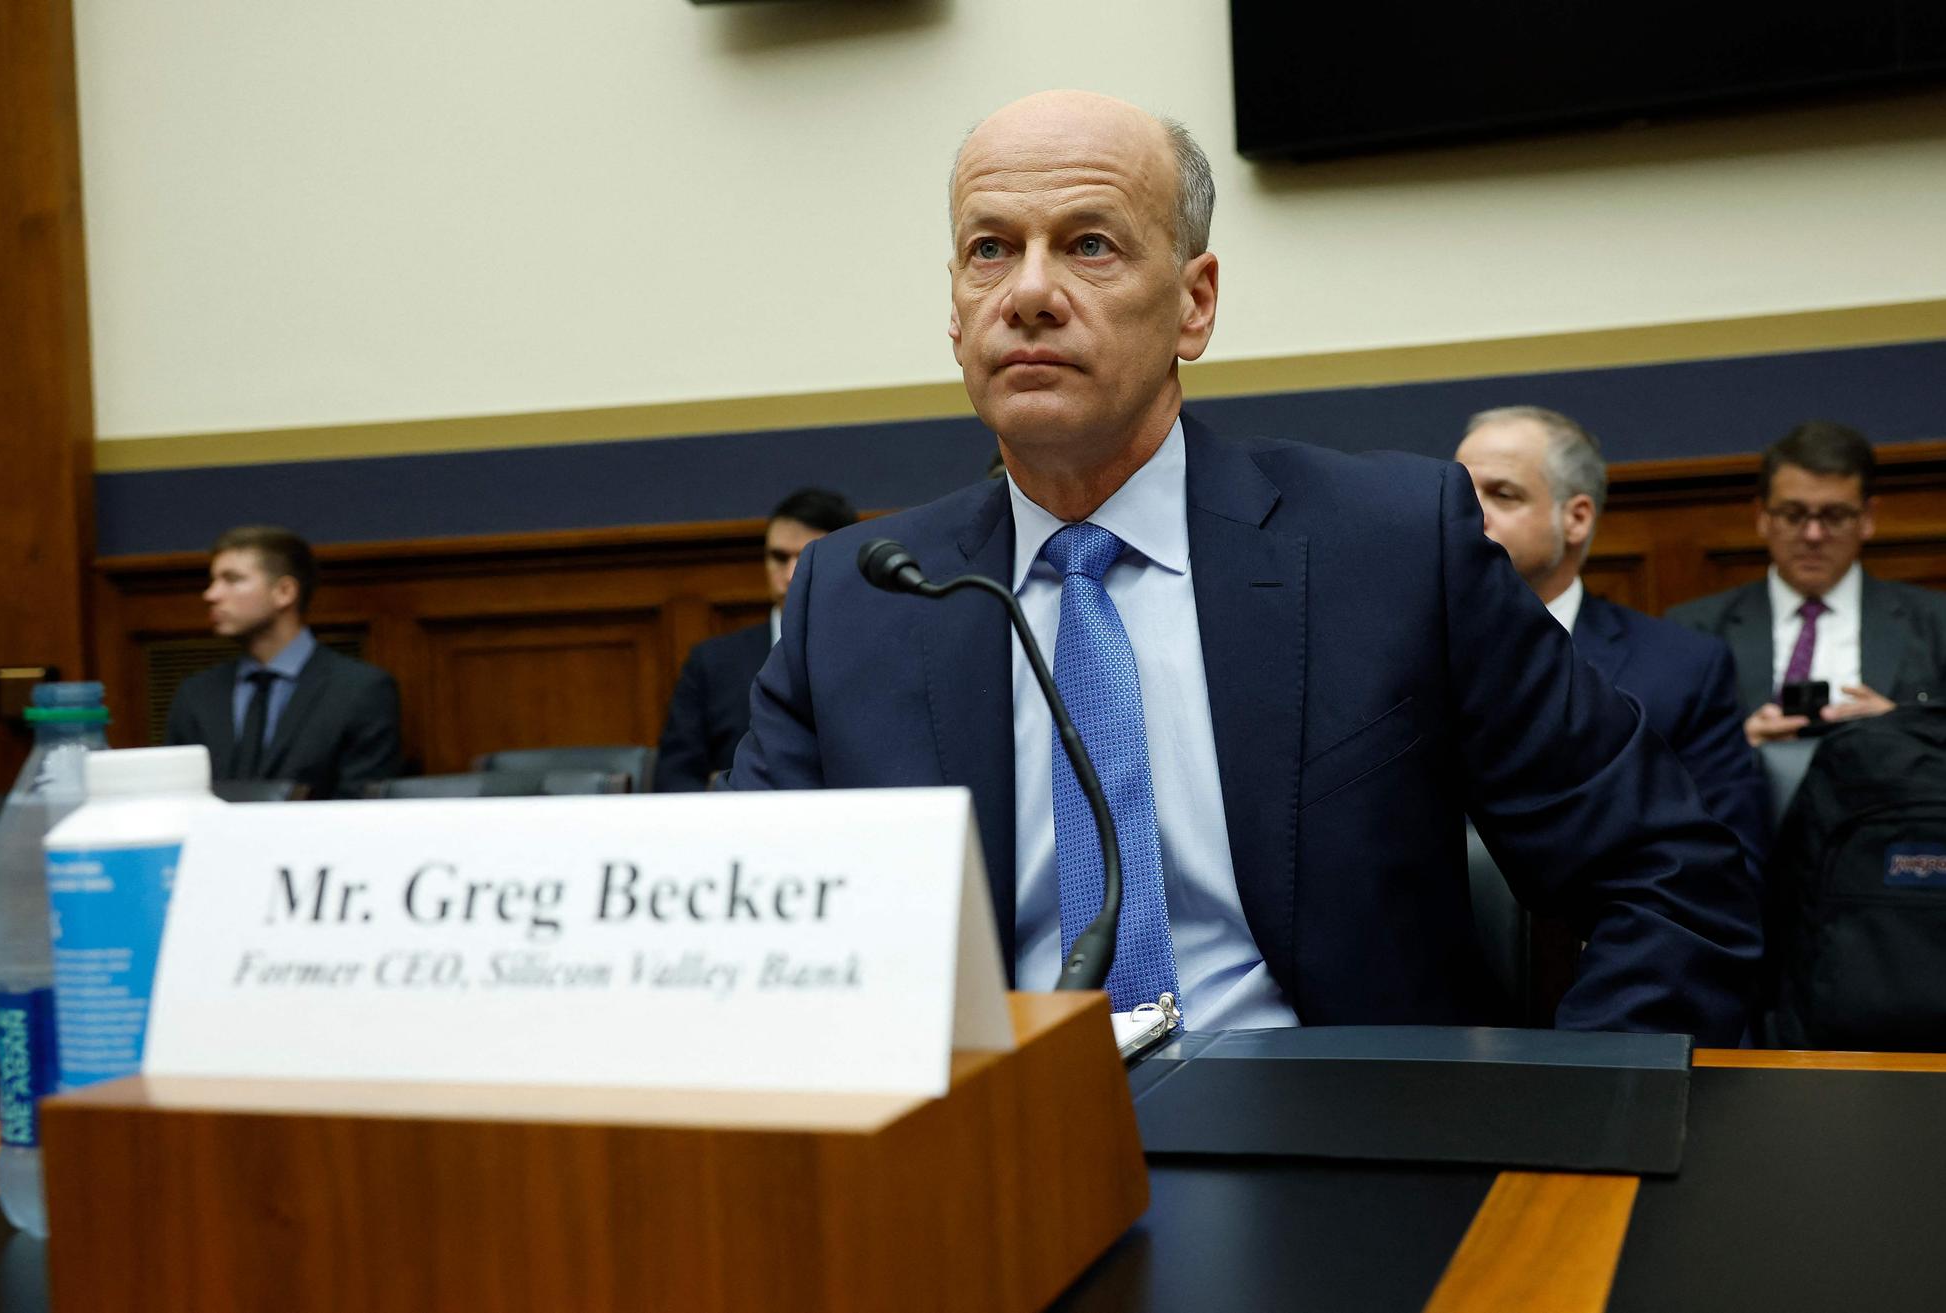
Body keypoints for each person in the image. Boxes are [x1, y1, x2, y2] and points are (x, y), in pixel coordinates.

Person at [729, 90, 1759, 1042]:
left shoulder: (1392, 548)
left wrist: (1563, 1142)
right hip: (989, 1145)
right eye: (989, 249)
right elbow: (743, 946)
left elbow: (1671, 874)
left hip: (1333, 1143)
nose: (1030, 292)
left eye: (1089, 245)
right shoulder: (856, 600)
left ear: (1194, 303)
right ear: (955, 311)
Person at [1455, 405, 1769, 883]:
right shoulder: (1390, 655)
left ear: (1576, 518)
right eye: (1460, 494)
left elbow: (1723, 868)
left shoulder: (1682, 670)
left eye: (1503, 495)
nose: (1468, 516)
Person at [1666, 422, 1946, 746]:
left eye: (1835, 516)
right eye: (1793, 515)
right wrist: (1737, 747)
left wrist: (1902, 729)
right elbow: (1666, 751)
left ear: (1867, 518)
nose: (1813, 535)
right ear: (1762, 516)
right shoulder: (1694, 630)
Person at [164, 525, 400, 797]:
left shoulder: (360, 690)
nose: (211, 595)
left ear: (284, 592)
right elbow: (177, 797)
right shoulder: (196, 694)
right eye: (213, 581)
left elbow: (362, 804)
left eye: (232, 579)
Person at [653, 488, 858, 791]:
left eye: (807, 557)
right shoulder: (713, 663)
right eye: (779, 557)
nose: (790, 575)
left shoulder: (873, 654)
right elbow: (674, 778)